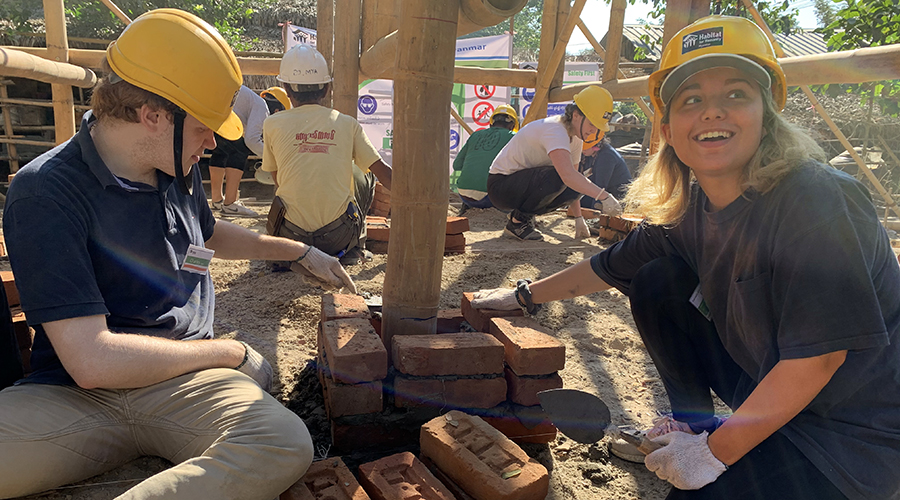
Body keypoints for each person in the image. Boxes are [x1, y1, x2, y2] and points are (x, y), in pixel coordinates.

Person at [471, 15, 900, 500]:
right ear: (670, 130)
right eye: (691, 100)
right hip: (774, 391)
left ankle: (711, 441)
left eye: (736, 94)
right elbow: (607, 267)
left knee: (694, 492)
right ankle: (695, 425)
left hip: (853, 435)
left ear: (767, 117)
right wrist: (523, 294)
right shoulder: (693, 211)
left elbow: (819, 361)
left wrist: (714, 454)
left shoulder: (815, 199)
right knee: (657, 280)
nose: (712, 112)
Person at [0, 10, 356, 499]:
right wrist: (231, 352)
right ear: (153, 115)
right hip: (75, 398)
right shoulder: (46, 191)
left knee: (280, 441)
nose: (212, 143)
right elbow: (92, 362)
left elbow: (206, 235)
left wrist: (298, 250)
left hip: (181, 385)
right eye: (204, 127)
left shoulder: (173, 163)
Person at [261, 44, 392, 266]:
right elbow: (385, 176)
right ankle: (354, 249)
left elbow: (277, 178)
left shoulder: (272, 124)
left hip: (291, 239)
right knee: (364, 173)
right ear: (326, 90)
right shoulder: (347, 124)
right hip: (337, 238)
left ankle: (284, 258)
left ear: (286, 88)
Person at [486, 86, 623, 241]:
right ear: (576, 115)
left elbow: (575, 179)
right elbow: (566, 175)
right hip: (500, 187)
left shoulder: (576, 138)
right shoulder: (555, 129)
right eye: (592, 124)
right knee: (558, 177)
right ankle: (518, 222)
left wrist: (579, 218)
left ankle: (523, 217)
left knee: (578, 186)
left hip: (519, 186)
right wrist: (604, 196)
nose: (593, 130)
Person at [208, 84, 269, 217]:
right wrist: (270, 158)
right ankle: (230, 204)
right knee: (240, 150)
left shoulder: (250, 100)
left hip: (214, 115)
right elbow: (251, 140)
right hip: (224, 117)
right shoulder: (261, 106)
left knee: (220, 151)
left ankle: (217, 200)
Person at [452, 105, 517, 214]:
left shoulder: (476, 135)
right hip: (491, 199)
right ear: (512, 125)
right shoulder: (513, 137)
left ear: (491, 123)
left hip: (464, 194)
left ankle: (467, 205)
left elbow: (457, 165)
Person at [579, 135, 631, 209]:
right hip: (600, 193)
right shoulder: (589, 155)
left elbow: (600, 186)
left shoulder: (607, 156)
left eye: (586, 146)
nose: (582, 149)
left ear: (596, 145)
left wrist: (594, 213)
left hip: (617, 198)